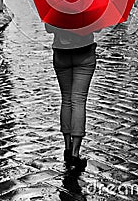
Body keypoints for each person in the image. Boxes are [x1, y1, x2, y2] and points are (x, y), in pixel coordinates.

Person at [45, 23, 97, 171]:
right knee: (79, 101)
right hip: (85, 53)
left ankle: (67, 148)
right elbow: (98, 27)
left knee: (66, 100)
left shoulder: (56, 2)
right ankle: (75, 154)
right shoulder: (89, 1)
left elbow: (49, 28)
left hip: (61, 54)